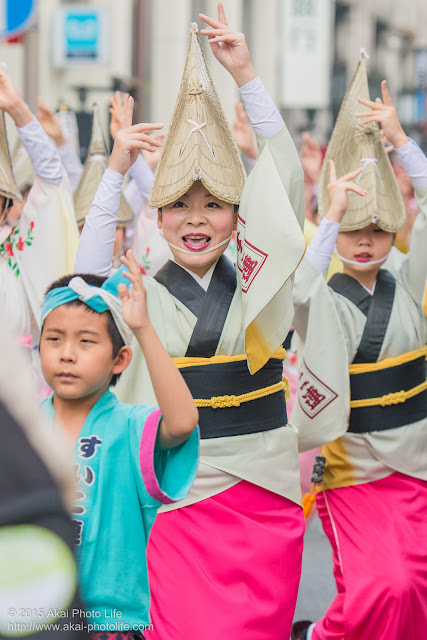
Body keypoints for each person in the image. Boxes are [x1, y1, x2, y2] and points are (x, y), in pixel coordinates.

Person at [75, 4, 307, 638]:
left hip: (265, 492)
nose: (196, 218)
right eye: (178, 204)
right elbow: (83, 281)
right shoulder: (137, 291)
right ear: (156, 213)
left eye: (214, 204)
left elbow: (285, 189)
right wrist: (116, 167)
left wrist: (248, 76)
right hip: (175, 495)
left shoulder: (262, 282)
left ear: (237, 214)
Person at [290, 54, 427, 640]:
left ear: (394, 226)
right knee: (381, 587)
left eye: (377, 229)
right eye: (352, 230)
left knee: (415, 593)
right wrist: (328, 218)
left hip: (416, 466)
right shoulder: (322, 291)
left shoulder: (410, 275)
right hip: (354, 471)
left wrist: (401, 142)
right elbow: (295, 291)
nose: (366, 242)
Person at [39, 250, 199, 640]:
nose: (67, 353)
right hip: (34, 615)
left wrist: (142, 328)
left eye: (86, 341)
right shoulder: (25, 427)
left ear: (120, 359)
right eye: (54, 339)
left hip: (110, 623)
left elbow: (181, 423)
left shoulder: (130, 426)